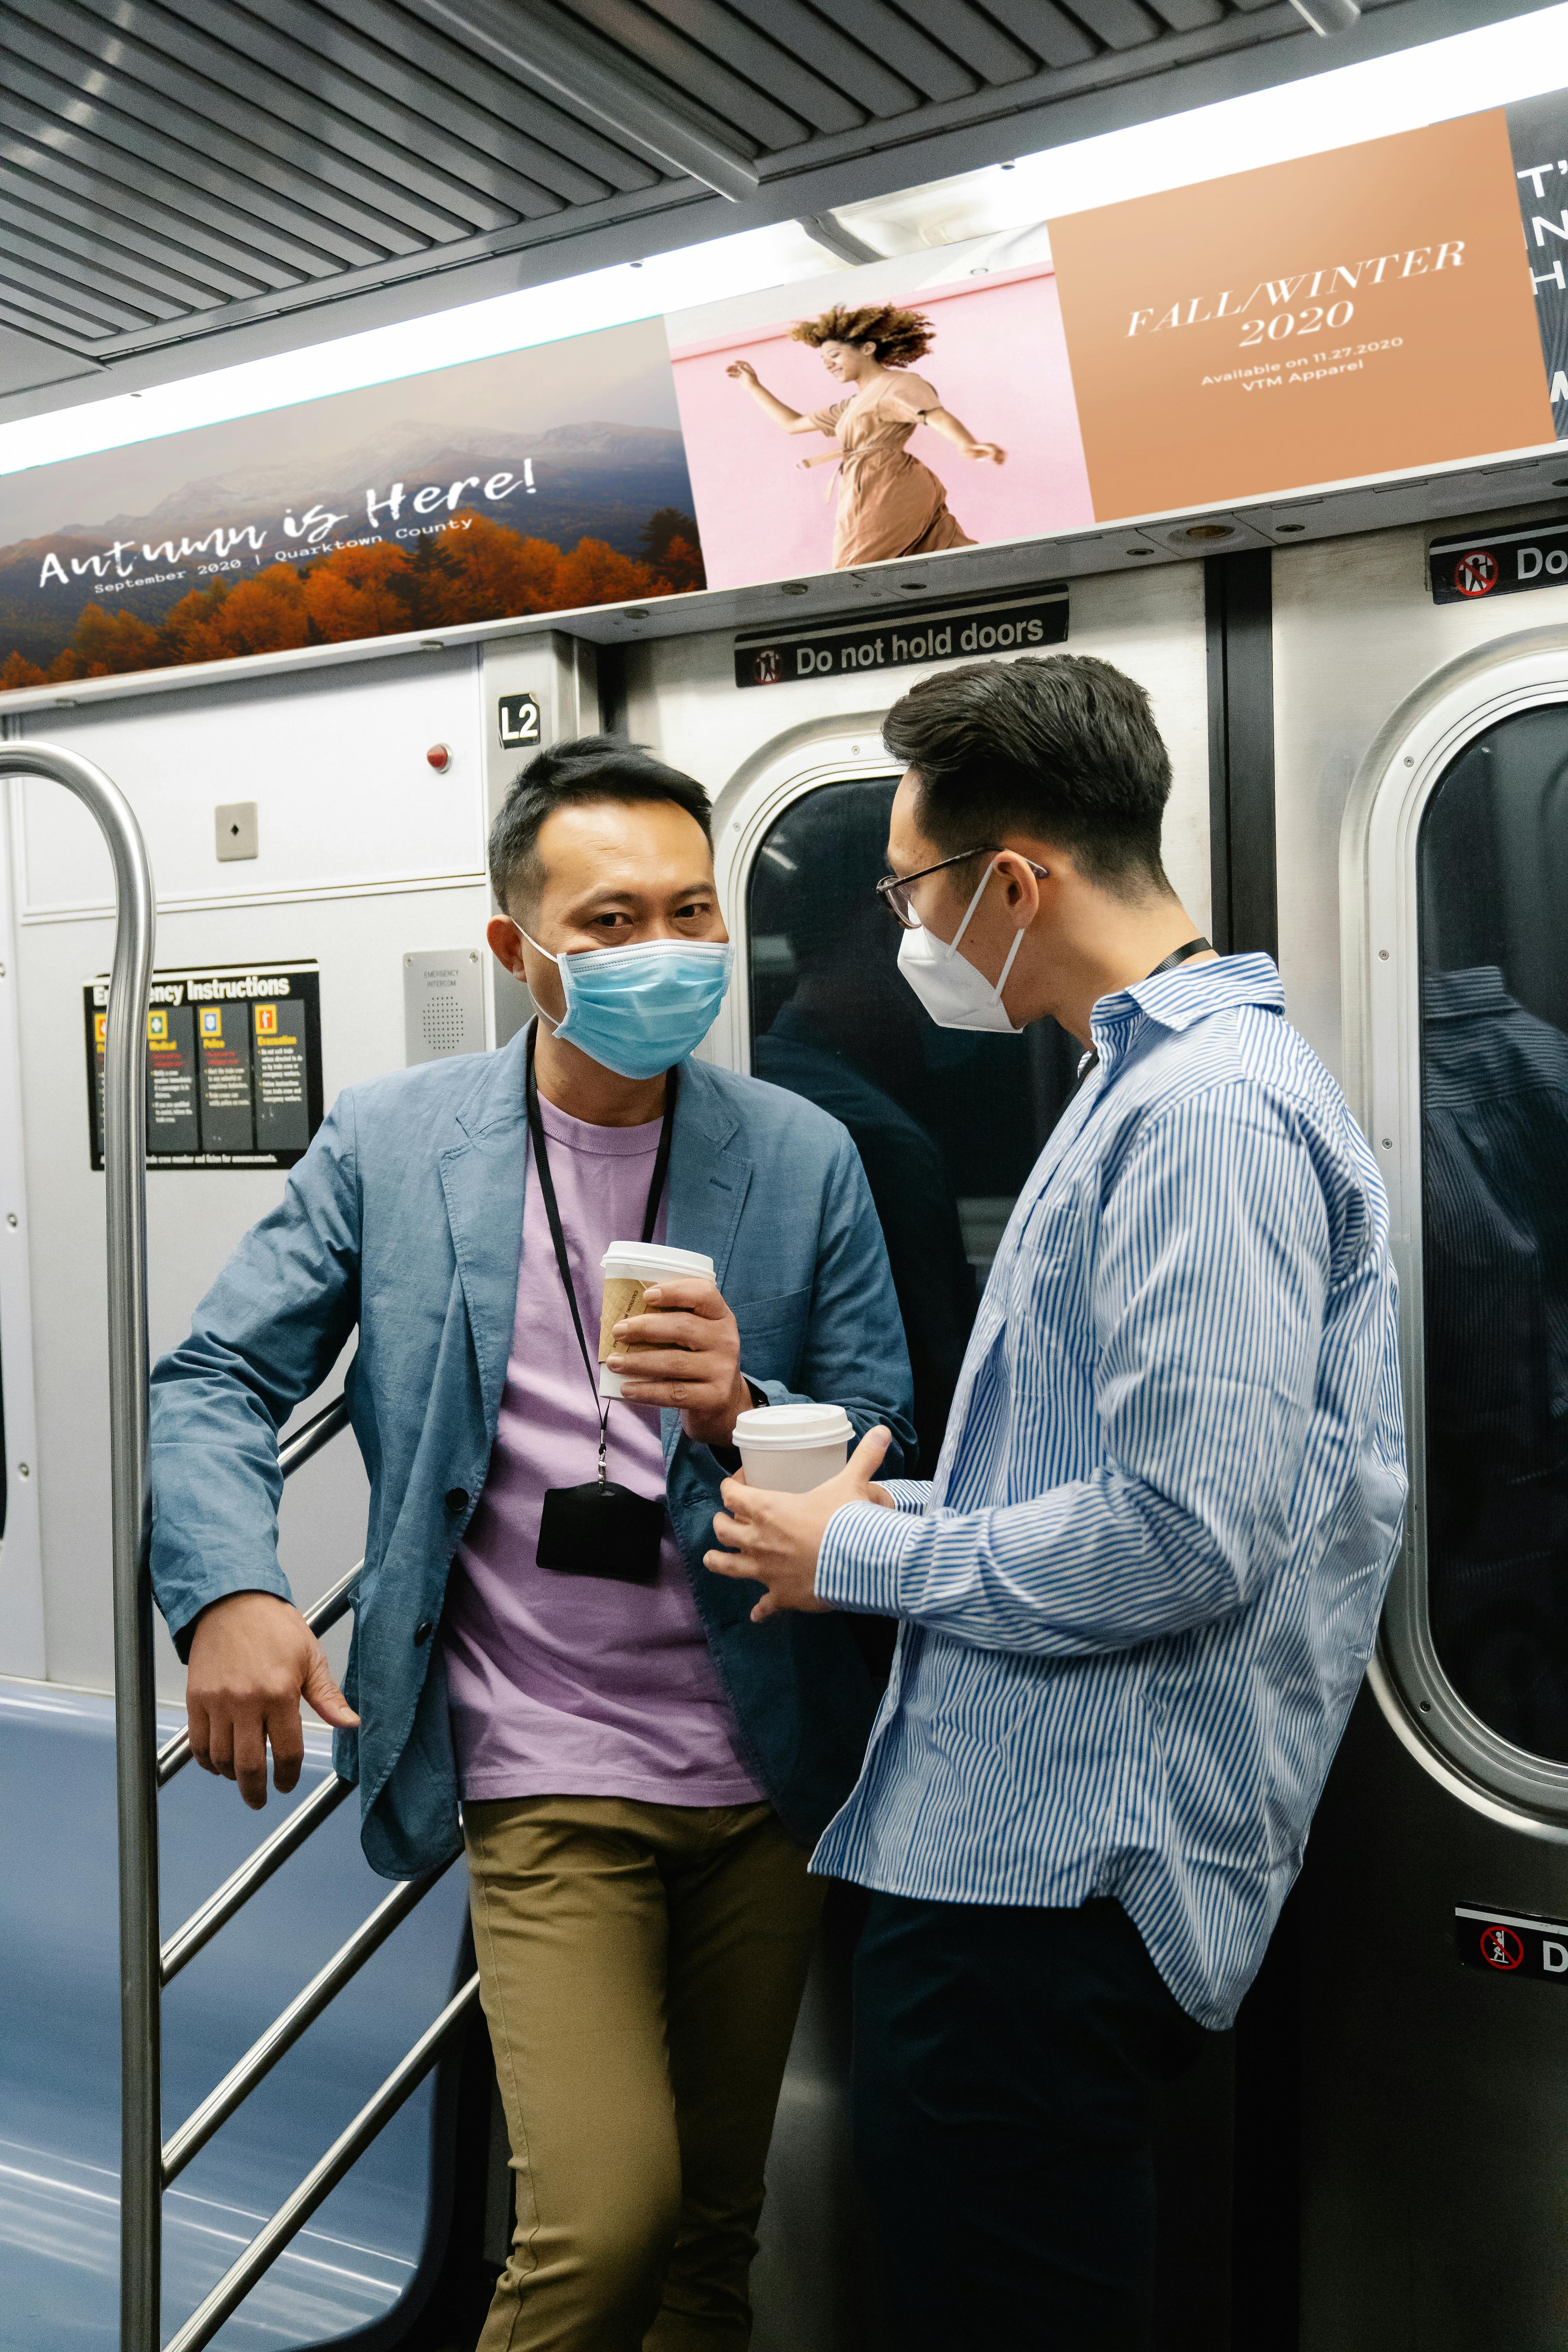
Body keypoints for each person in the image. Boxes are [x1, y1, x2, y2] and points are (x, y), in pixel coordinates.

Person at [149, 736, 916, 2352]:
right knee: (603, 2219)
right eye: (613, 920)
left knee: (711, 2236)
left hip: (765, 1766)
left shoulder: (801, 1156)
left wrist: (736, 1410)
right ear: (521, 950)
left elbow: (877, 1430)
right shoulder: (397, 1143)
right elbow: (217, 1374)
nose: (664, 954)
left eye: (692, 912)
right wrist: (230, 1586)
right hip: (544, 1770)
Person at [705, 655, 1408, 2350]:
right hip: (1024, 1868)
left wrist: (865, 1551)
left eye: (907, 891)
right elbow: (1114, 1480)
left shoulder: (1199, 1112)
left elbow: (1181, 1530)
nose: (901, 936)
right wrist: (858, 1530)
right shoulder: (1137, 1086)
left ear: (1009, 880)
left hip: (1052, 1886)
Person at [725, 301, 1004, 568]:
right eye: (824, 360)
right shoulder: (851, 406)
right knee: (943, 551)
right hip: (873, 480)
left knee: (857, 570)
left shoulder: (898, 383)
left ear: (868, 348)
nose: (828, 364)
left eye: (834, 355)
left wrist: (968, 444)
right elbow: (793, 424)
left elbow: (935, 414)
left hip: (883, 481)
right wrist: (753, 387)